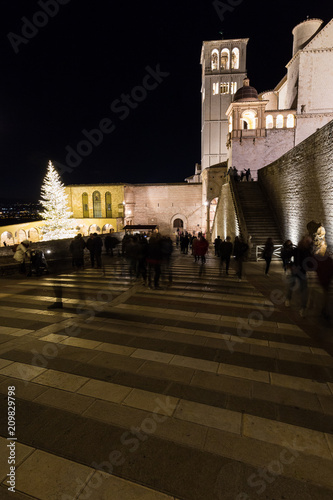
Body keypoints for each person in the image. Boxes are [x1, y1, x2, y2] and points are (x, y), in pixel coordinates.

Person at [285, 235, 313, 317]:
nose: (307, 243)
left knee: (304, 290)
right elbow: (288, 255)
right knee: (291, 285)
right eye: (306, 241)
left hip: (303, 273)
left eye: (309, 242)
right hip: (295, 271)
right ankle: (288, 298)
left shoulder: (308, 251)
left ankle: (303, 308)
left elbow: (310, 262)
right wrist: (289, 264)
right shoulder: (297, 250)